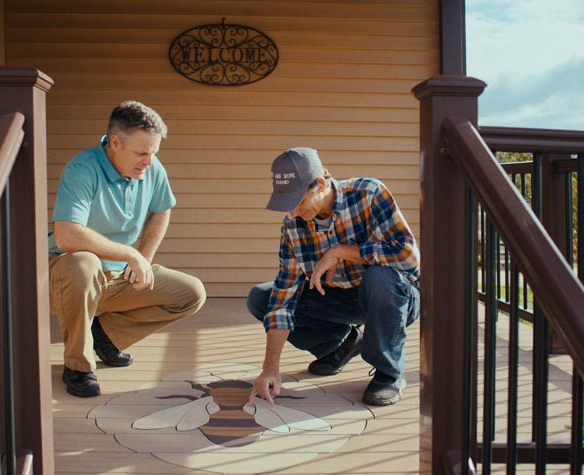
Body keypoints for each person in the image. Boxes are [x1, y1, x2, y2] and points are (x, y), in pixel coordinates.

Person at [48, 100, 206, 397]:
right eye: (142, 153)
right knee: (84, 263)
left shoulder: (151, 168)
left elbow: (163, 208)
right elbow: (67, 235)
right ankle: (78, 367)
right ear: (116, 143)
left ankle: (105, 337)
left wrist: (144, 258)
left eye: (154, 153)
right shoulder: (83, 168)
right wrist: (131, 254)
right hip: (63, 278)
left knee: (191, 293)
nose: (149, 161)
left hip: (116, 276)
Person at [246, 147, 420, 407]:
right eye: (286, 204)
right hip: (341, 299)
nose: (292, 213)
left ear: (320, 184)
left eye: (298, 201)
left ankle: (389, 373)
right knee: (262, 298)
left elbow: (409, 256)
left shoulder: (368, 193)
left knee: (379, 278)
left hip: (392, 297)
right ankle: (343, 343)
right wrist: (271, 368)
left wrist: (342, 252)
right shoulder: (292, 226)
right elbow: (284, 296)